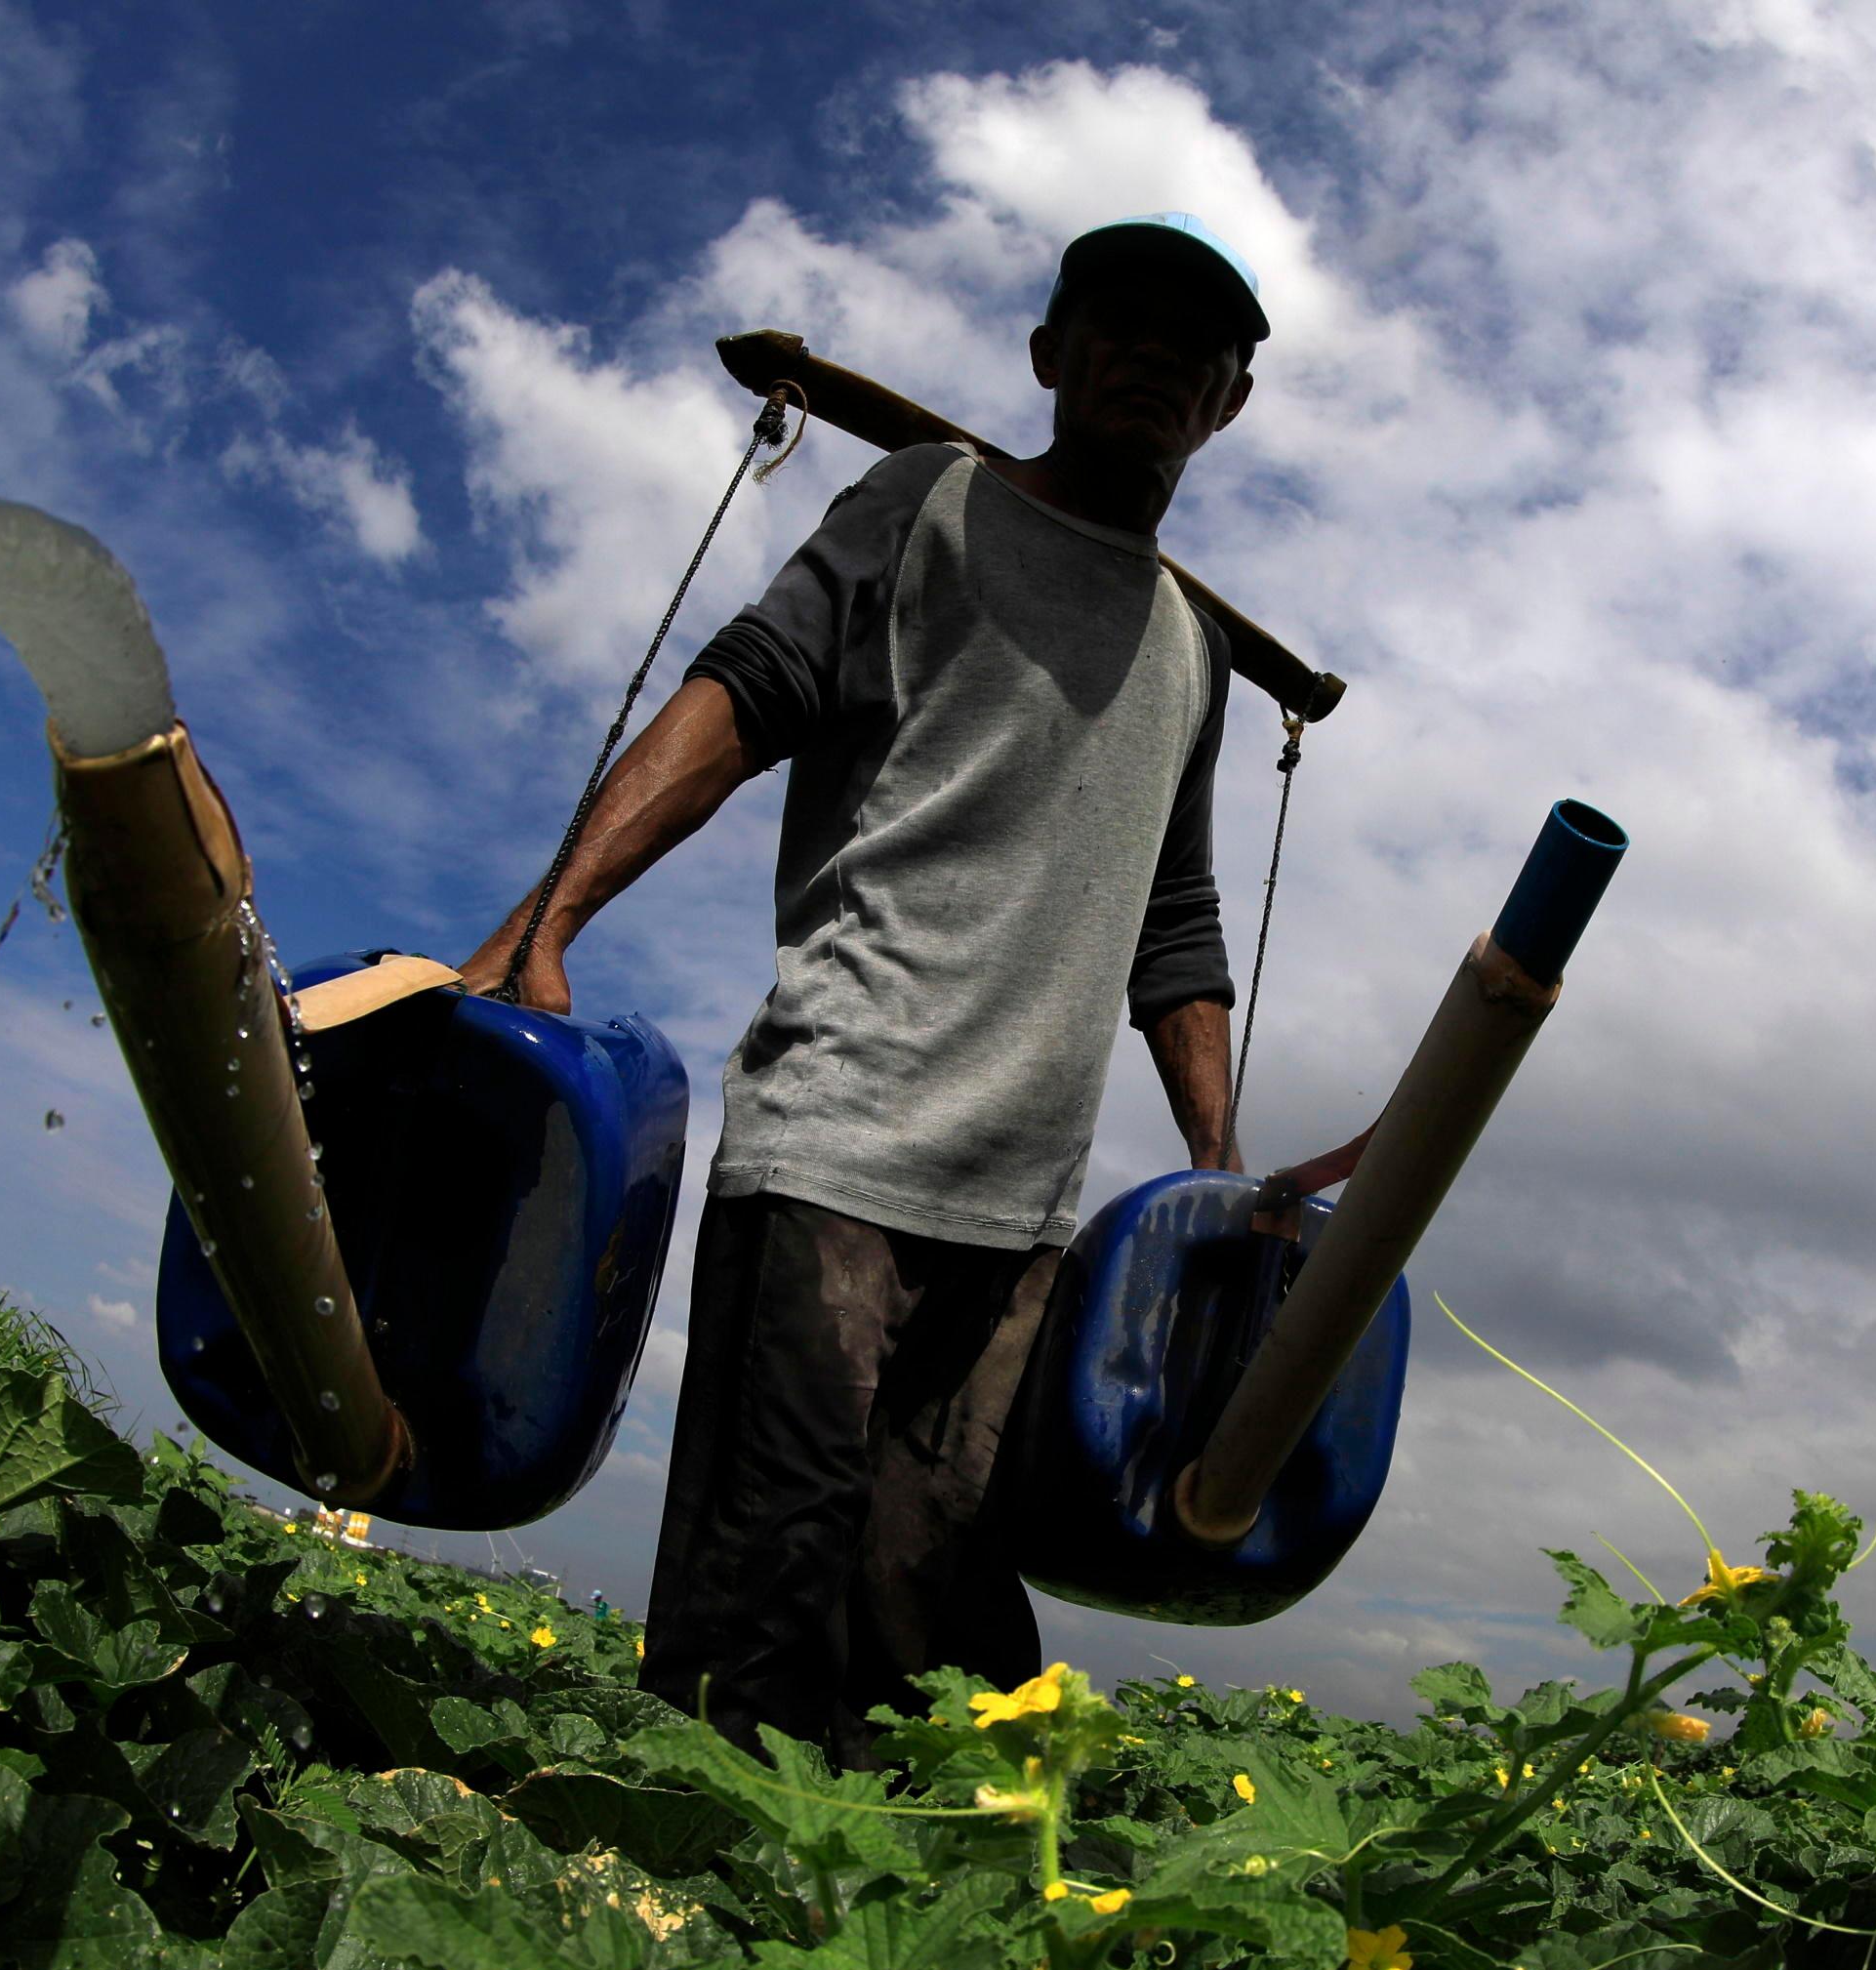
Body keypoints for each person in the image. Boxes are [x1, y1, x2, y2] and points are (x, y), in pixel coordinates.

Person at [461, 215, 1272, 1763]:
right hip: (840, 1146)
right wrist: (544, 913)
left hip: (1019, 1222)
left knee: (928, 1635)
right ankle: (667, 1926)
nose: (1159, 356)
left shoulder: (1194, 651)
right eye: (1120, 321)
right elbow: (748, 689)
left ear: (1228, 403)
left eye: (1201, 345)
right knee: (761, 1611)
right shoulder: (931, 505)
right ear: (1050, 356)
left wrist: (1217, 1174)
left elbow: (1175, 921)